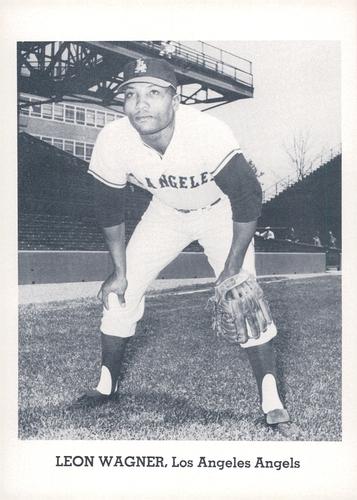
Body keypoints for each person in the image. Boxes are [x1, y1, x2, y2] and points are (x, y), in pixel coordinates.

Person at [72, 57, 290, 427]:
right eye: (132, 94)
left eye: (153, 93)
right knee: (119, 293)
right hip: (166, 212)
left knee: (243, 298)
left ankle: (271, 398)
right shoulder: (114, 139)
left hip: (219, 211)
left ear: (175, 100)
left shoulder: (207, 132)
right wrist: (119, 270)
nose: (141, 104)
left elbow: (248, 196)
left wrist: (232, 268)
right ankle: (106, 386)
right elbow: (109, 208)